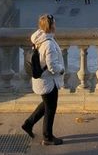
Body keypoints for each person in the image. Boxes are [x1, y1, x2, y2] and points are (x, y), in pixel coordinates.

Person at [21, 13, 65, 145]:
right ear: (50, 27)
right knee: (51, 108)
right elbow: (52, 66)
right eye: (54, 24)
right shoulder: (49, 44)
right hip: (48, 81)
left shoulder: (38, 38)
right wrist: (61, 69)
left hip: (41, 80)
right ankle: (48, 137)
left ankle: (28, 123)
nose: (56, 25)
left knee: (46, 105)